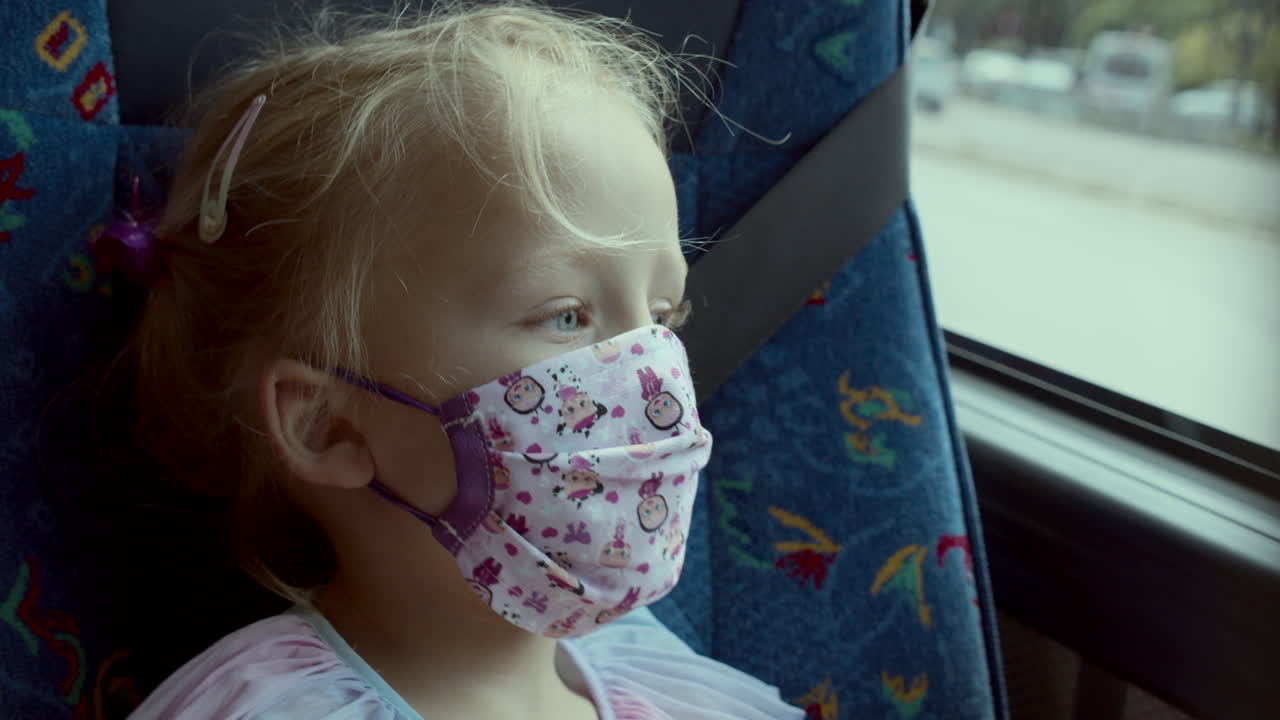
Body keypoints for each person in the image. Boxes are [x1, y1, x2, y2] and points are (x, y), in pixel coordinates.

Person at [118, 2, 805, 718]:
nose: (657, 380)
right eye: (566, 315)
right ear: (330, 426)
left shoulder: (669, 682)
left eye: (664, 317)